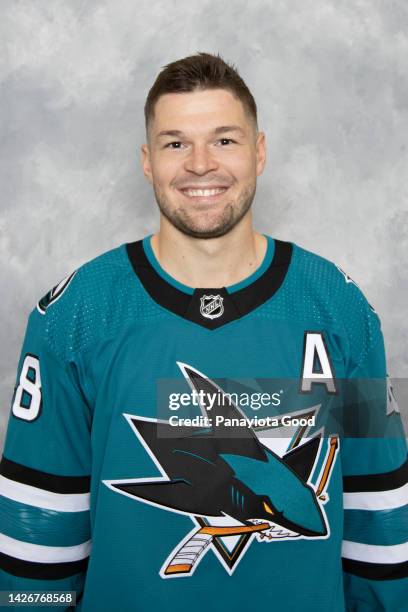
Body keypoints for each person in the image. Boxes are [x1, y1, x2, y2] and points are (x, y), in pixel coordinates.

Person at [0, 52, 407, 612]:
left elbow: (378, 522)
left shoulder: (340, 308)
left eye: (224, 140)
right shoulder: (76, 316)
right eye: (175, 143)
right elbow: (38, 538)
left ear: (259, 152)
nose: (199, 164)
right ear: (147, 161)